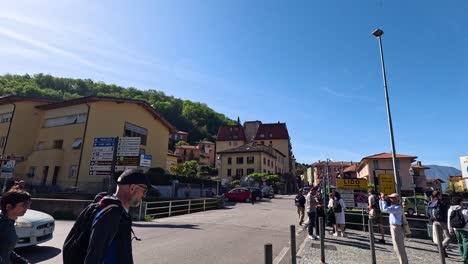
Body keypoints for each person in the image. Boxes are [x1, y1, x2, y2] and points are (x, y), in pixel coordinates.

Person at [63, 169, 149, 264]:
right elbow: (94, 256)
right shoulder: (112, 214)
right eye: (144, 191)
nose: (144, 196)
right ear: (132, 188)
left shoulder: (110, 208)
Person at [0, 189, 31, 264]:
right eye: (24, 205)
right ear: (9, 206)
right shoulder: (1, 224)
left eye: (28, 204)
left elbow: (6, 250)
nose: (28, 207)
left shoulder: (9, 222)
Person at [380, 193, 408, 264]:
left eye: (392, 198)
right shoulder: (394, 206)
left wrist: (383, 200)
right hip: (394, 227)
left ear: (396, 199)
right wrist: (382, 200)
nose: (390, 199)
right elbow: (383, 209)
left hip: (396, 227)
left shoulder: (397, 207)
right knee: (397, 247)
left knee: (399, 247)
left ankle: (403, 262)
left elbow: (384, 209)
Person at [428, 191, 450, 256]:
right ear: (438, 196)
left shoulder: (430, 203)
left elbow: (428, 213)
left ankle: (443, 253)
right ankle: (441, 247)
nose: (441, 196)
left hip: (434, 222)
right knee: (448, 237)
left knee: (439, 238)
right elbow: (446, 212)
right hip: (442, 222)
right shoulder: (441, 203)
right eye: (440, 195)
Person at [448, 196, 468, 263]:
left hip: (456, 228)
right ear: (460, 202)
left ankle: (463, 257)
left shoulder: (450, 209)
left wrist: (450, 229)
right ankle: (465, 259)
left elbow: (449, 220)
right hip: (465, 229)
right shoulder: (464, 210)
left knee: (460, 243)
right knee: (466, 243)